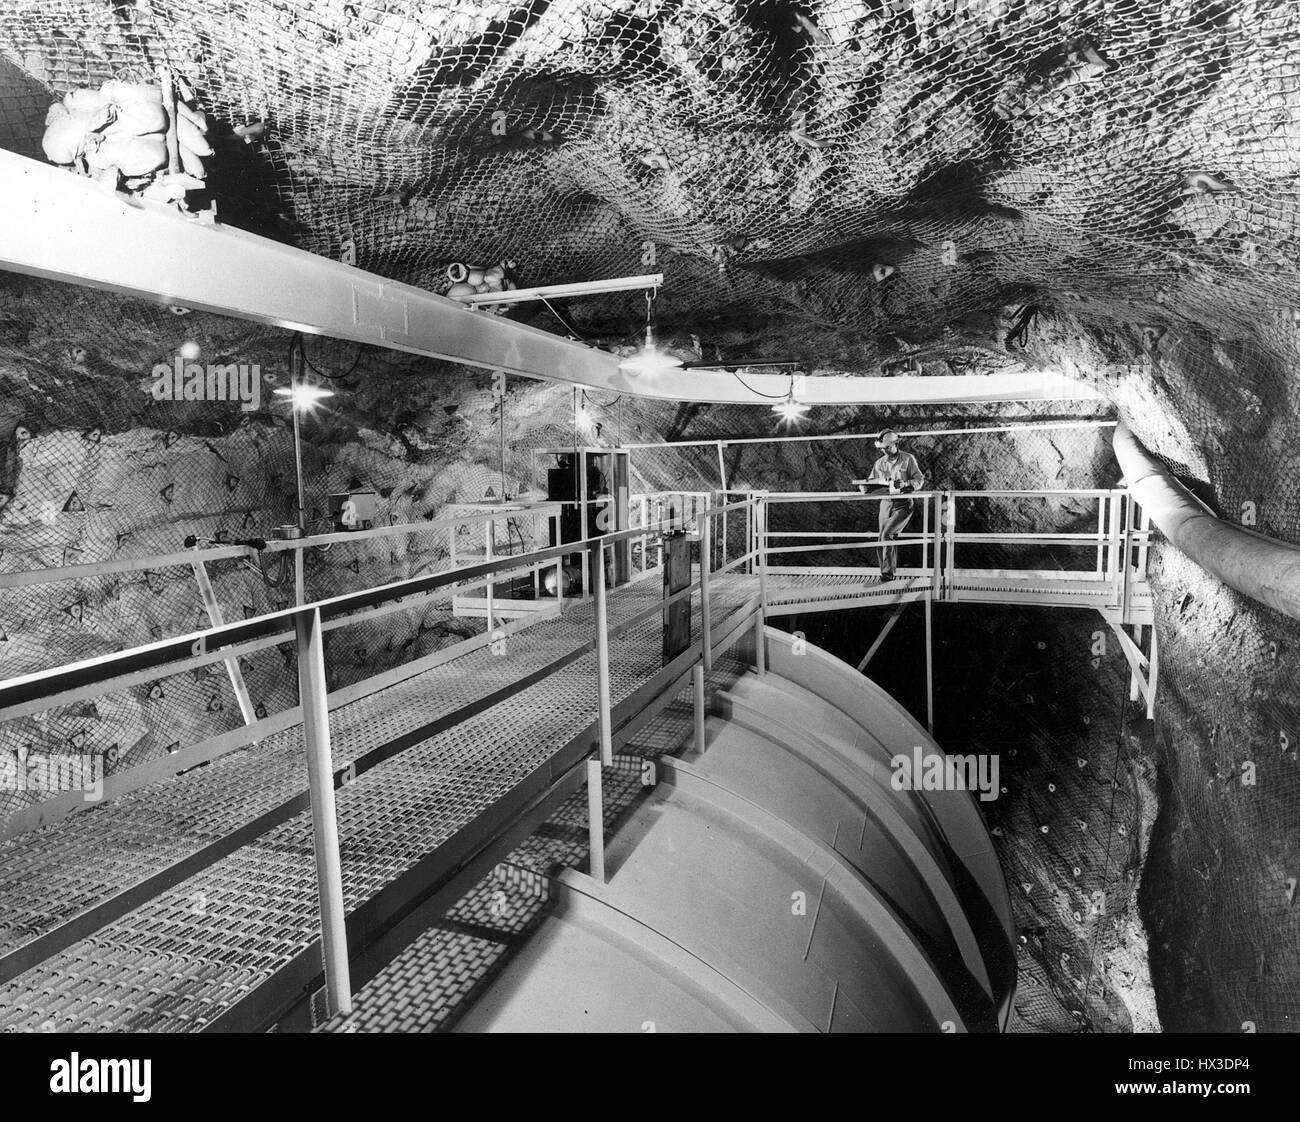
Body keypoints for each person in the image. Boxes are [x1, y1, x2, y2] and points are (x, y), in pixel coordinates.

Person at [865, 430, 925, 582]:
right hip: (886, 503)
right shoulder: (879, 463)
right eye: (882, 448)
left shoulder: (908, 459)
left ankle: (887, 574)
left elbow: (919, 479)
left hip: (903, 504)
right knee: (882, 538)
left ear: (896, 444)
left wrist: (906, 484)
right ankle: (886, 571)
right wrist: (865, 487)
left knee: (888, 534)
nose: (884, 450)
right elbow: (871, 482)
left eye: (887, 447)